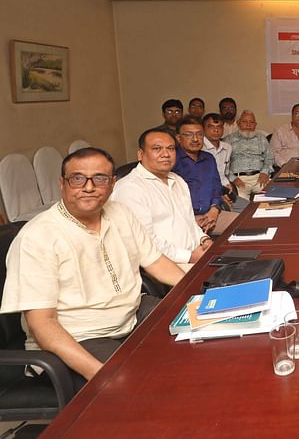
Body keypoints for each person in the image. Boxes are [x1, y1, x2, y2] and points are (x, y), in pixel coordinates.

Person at [0, 147, 185, 385]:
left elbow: (156, 262)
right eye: (77, 179)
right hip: (81, 337)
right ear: (62, 184)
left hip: (131, 315)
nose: (88, 187)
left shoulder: (120, 213)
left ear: (112, 183)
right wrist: (100, 374)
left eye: (100, 178)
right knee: (144, 382)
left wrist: (197, 298)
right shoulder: (37, 237)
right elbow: (42, 325)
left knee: (197, 337)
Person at [111, 127, 212, 267]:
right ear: (140, 154)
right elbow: (144, 242)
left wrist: (204, 239)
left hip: (196, 255)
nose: (165, 154)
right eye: (157, 149)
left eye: (171, 149)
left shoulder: (178, 180)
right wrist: (190, 256)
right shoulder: (130, 189)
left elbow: (189, 221)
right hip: (168, 264)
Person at [173, 116, 238, 235]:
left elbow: (216, 188)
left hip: (212, 215)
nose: (195, 139)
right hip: (182, 221)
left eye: (199, 134)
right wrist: (190, 220)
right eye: (189, 135)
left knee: (246, 224)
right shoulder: (171, 160)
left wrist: (214, 209)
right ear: (178, 138)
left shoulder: (208, 159)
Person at [203, 113, 248, 212]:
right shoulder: (200, 148)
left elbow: (225, 172)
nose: (216, 130)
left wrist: (227, 184)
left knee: (249, 208)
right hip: (208, 193)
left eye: (219, 127)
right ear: (203, 129)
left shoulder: (227, 147)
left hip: (224, 189)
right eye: (211, 127)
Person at [226, 111, 274, 198]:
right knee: (241, 205)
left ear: (255, 124)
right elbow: (224, 164)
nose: (248, 125)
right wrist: (233, 178)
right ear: (238, 123)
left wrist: (265, 172)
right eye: (245, 122)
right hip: (239, 179)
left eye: (251, 122)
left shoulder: (262, 138)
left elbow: (269, 158)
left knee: (273, 196)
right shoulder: (229, 140)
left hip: (259, 177)